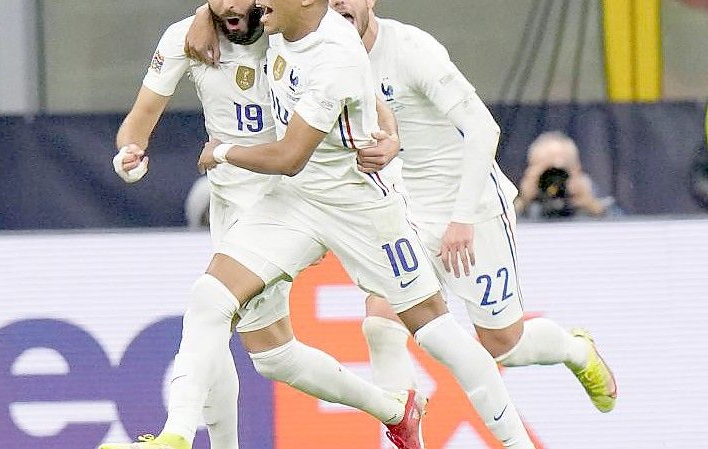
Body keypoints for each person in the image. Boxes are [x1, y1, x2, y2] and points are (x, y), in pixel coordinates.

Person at [105, 0, 536, 448]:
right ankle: (175, 437)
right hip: (287, 201)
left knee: (434, 328)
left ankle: (515, 442)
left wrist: (223, 151)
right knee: (213, 302)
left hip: (355, 204)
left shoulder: (329, 49)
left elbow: (292, 155)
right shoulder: (253, 25)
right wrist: (202, 17)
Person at [325, 0, 617, 426]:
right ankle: (404, 427)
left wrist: (461, 218)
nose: (337, 3)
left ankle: (576, 350)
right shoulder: (322, 59)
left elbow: (484, 128)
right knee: (381, 320)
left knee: (504, 346)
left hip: (471, 207)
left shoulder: (410, 49)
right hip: (405, 209)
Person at [515, 131, 620, 219]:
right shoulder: (522, 206)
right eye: (548, 171)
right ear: (530, 171)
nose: (555, 181)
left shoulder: (592, 199)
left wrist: (591, 205)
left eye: (561, 172)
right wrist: (523, 203)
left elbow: (624, 230)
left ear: (578, 169)